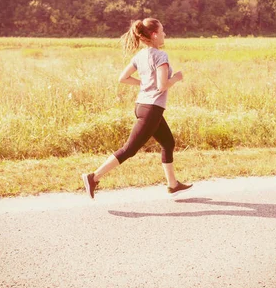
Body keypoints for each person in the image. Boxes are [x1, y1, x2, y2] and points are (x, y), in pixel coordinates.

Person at [81, 18, 193, 199]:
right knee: (129, 149)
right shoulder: (160, 56)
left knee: (168, 143)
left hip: (142, 106)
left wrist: (144, 84)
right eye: (162, 31)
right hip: (152, 109)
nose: (165, 34)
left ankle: (172, 184)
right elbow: (162, 86)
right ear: (155, 35)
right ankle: (94, 177)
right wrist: (177, 78)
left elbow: (123, 77)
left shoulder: (140, 56)